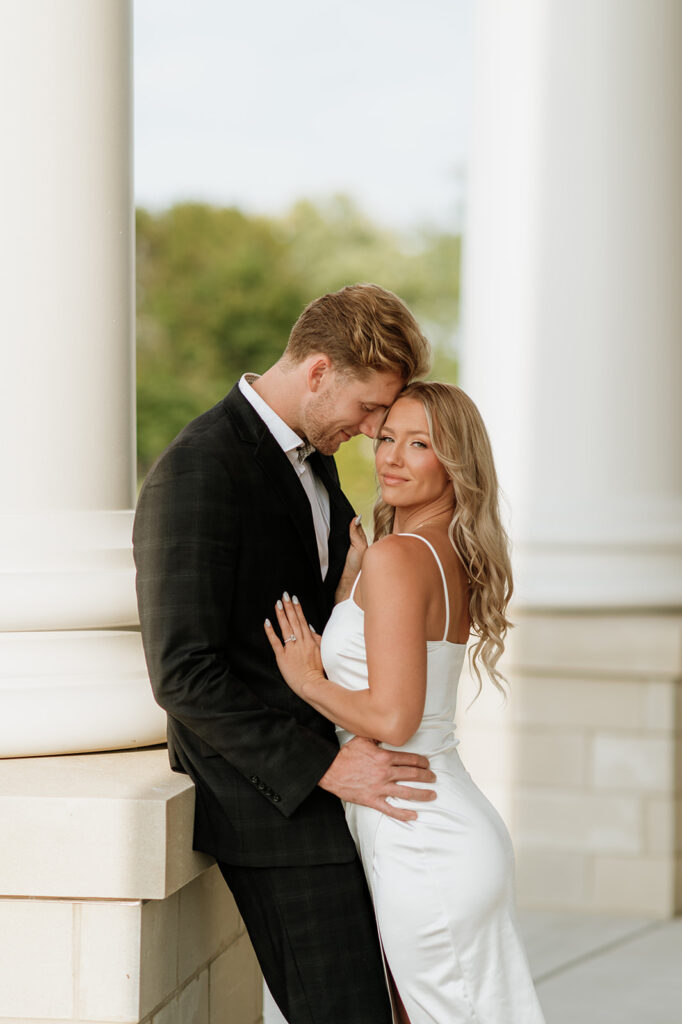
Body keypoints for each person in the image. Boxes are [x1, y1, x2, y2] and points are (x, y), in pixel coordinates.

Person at [132, 284, 435, 1024]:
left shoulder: (315, 459)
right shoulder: (201, 465)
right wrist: (327, 767)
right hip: (272, 806)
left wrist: (350, 594)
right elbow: (184, 672)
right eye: (369, 409)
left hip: (336, 785)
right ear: (319, 369)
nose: (372, 432)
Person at [266, 381, 546, 1024]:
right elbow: (387, 657)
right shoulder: (443, 553)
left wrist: (308, 680)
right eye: (386, 437)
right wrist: (349, 593)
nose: (390, 457)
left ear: (455, 464)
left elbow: (395, 717)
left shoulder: (399, 557)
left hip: (421, 835)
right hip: (437, 822)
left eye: (418, 444)